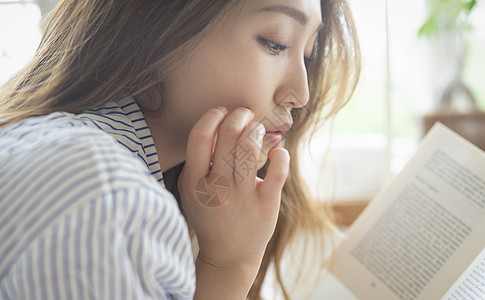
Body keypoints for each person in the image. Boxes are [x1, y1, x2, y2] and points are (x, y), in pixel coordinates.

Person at [0, 0, 360, 299]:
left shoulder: (72, 158)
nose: (300, 94)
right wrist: (230, 265)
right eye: (276, 42)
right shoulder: (109, 197)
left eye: (308, 54)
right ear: (159, 26)